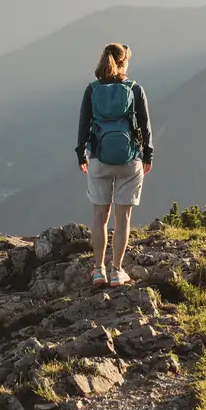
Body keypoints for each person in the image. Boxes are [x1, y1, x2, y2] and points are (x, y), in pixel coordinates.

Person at [76, 42, 152, 287]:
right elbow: (145, 126)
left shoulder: (92, 90)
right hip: (129, 160)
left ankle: (99, 270)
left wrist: (81, 155)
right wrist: (148, 156)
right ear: (124, 63)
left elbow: (84, 125)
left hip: (99, 157)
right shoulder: (135, 89)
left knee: (100, 216)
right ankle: (117, 270)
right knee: (123, 217)